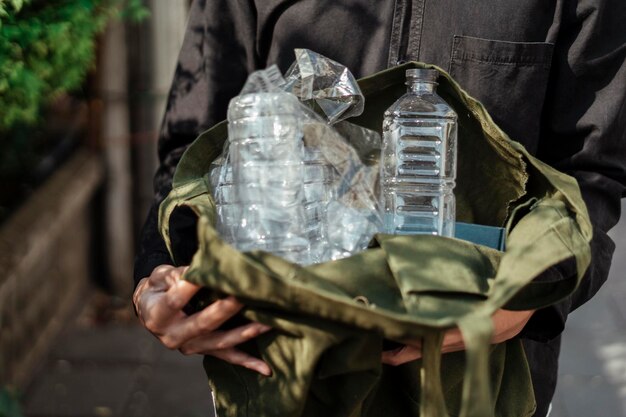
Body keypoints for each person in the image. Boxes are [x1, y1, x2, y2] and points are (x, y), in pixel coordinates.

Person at [132, 1, 626, 416]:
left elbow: (594, 172)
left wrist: (534, 300)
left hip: (477, 379)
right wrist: (163, 278)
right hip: (282, 367)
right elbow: (192, 149)